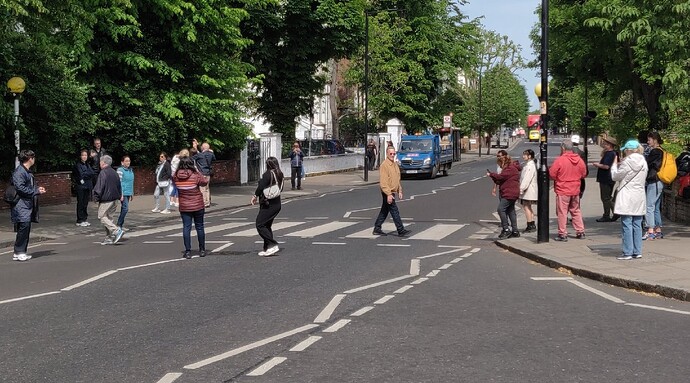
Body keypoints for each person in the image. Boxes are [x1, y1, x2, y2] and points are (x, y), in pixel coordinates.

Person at [611, 140, 648, 260]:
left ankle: (627, 252)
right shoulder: (643, 162)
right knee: (637, 224)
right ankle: (637, 251)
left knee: (626, 224)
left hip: (627, 195)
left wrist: (614, 166)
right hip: (639, 195)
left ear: (628, 150)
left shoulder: (627, 162)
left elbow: (616, 176)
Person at [10, 150, 47, 261]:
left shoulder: (26, 171)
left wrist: (36, 189)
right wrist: (35, 191)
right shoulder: (20, 172)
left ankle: (20, 251)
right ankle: (19, 251)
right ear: (29, 158)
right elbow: (20, 188)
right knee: (24, 227)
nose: (34, 159)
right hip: (20, 204)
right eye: (33, 157)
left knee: (25, 227)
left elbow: (27, 187)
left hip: (26, 204)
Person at [549, 140, 587, 241]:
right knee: (576, 210)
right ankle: (580, 232)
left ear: (563, 148)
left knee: (562, 212)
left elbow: (552, 174)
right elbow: (584, 174)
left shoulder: (560, 160)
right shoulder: (579, 160)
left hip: (563, 189)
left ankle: (562, 234)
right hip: (575, 189)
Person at [173, 156, 208, 259]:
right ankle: (202, 250)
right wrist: (197, 170)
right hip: (197, 205)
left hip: (184, 206)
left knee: (186, 228)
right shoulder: (195, 175)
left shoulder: (176, 176)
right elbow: (204, 182)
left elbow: (173, 181)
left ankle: (188, 251)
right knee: (200, 227)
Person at [372, 146, 410, 237]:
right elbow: (383, 182)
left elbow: (397, 179)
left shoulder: (395, 164)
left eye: (394, 153)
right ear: (387, 154)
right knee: (394, 210)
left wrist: (399, 191)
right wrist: (388, 194)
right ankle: (400, 230)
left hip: (392, 191)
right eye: (391, 154)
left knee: (384, 211)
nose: (392, 155)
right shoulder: (384, 165)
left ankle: (377, 228)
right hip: (387, 192)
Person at [250, 157, 284, 256]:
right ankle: (267, 248)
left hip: (268, 204)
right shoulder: (280, 174)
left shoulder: (268, 174)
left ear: (267, 165)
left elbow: (261, 187)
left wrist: (255, 196)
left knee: (260, 224)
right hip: (277, 203)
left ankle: (272, 244)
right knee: (266, 225)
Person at [488, 154, 522, 239]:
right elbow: (500, 180)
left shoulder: (510, 168)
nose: (500, 166)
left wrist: (491, 174)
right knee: (511, 210)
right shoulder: (510, 168)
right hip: (511, 192)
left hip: (509, 193)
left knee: (500, 209)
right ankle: (515, 231)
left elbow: (501, 177)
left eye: (500, 164)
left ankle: (506, 229)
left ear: (503, 162)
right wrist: (493, 178)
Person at [93, 155, 124, 245]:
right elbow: (119, 185)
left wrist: (96, 197)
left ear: (103, 163)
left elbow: (100, 186)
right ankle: (108, 237)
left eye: (100, 162)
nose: (99, 163)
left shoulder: (103, 173)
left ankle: (116, 231)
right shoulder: (115, 172)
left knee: (102, 216)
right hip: (115, 199)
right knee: (109, 219)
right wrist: (119, 195)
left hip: (106, 199)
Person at [590, 136, 619, 222]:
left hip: (606, 178)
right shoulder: (613, 153)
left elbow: (606, 166)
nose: (603, 144)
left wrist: (597, 164)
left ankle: (610, 214)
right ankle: (612, 213)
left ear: (610, 145)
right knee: (608, 197)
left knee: (605, 197)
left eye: (605, 143)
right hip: (609, 177)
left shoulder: (610, 154)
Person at [644, 131, 665, 240]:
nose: (648, 142)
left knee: (649, 206)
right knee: (656, 207)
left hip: (654, 181)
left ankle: (650, 230)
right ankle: (658, 230)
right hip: (660, 181)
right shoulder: (663, 151)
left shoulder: (656, 152)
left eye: (649, 140)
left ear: (655, 140)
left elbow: (648, 164)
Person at [73, 149, 95, 227]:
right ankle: (79, 219)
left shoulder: (87, 164)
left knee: (85, 203)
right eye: (83, 155)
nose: (84, 157)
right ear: (80, 156)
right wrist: (87, 174)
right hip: (81, 186)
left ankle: (84, 218)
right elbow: (81, 175)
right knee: (81, 202)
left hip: (87, 186)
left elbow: (92, 173)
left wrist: (87, 174)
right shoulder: (78, 165)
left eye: (85, 155)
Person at [519, 149, 538, 233]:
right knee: (528, 207)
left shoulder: (530, 166)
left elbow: (527, 179)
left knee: (526, 207)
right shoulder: (529, 165)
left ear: (529, 156)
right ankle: (532, 224)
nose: (523, 156)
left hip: (529, 190)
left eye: (525, 155)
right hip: (529, 189)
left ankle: (530, 225)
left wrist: (521, 189)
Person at [192, 139, 215, 207]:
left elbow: (191, 159)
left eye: (202, 146)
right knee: (207, 188)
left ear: (203, 148)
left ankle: (204, 203)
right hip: (208, 173)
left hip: (202, 173)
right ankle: (208, 202)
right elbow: (214, 158)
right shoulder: (211, 155)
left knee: (202, 189)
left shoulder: (200, 155)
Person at [116, 155, 134, 231]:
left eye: (129, 161)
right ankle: (119, 225)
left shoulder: (130, 170)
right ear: (122, 162)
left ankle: (121, 225)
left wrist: (132, 193)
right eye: (126, 161)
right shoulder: (120, 170)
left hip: (128, 192)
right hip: (123, 192)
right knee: (125, 209)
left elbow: (131, 182)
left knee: (124, 209)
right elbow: (119, 182)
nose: (128, 162)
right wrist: (121, 194)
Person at [571, 135, 587, 199]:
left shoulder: (566, 153)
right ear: (578, 142)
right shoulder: (582, 153)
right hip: (579, 178)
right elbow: (585, 167)